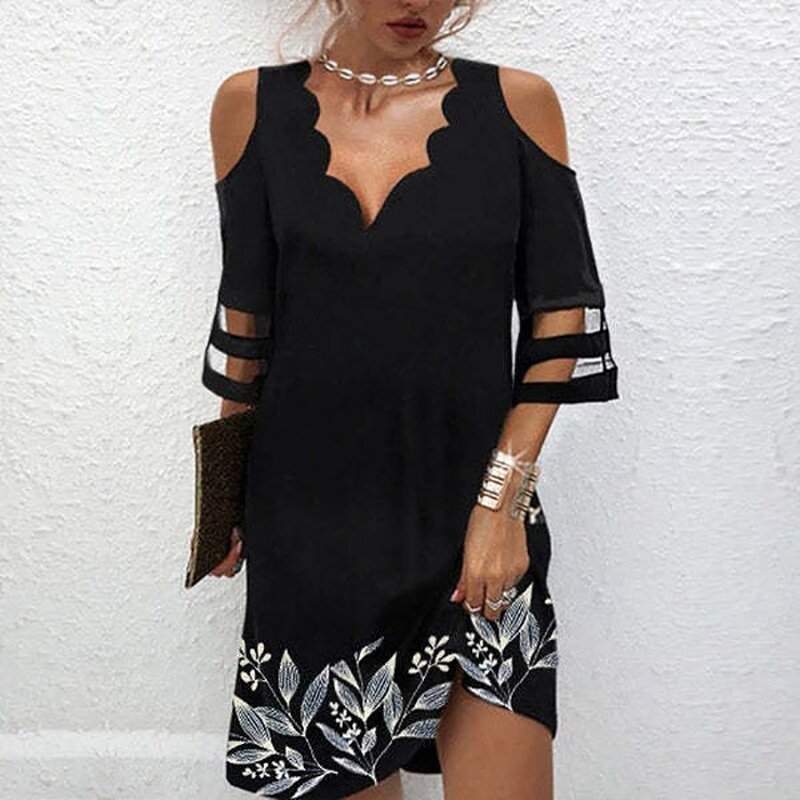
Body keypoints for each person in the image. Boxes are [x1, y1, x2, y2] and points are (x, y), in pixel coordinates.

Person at [200, 2, 618, 798]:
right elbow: (248, 322)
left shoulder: (517, 105)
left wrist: (502, 502)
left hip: (474, 514)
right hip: (310, 524)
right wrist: (222, 495)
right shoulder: (249, 107)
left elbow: (560, 317)